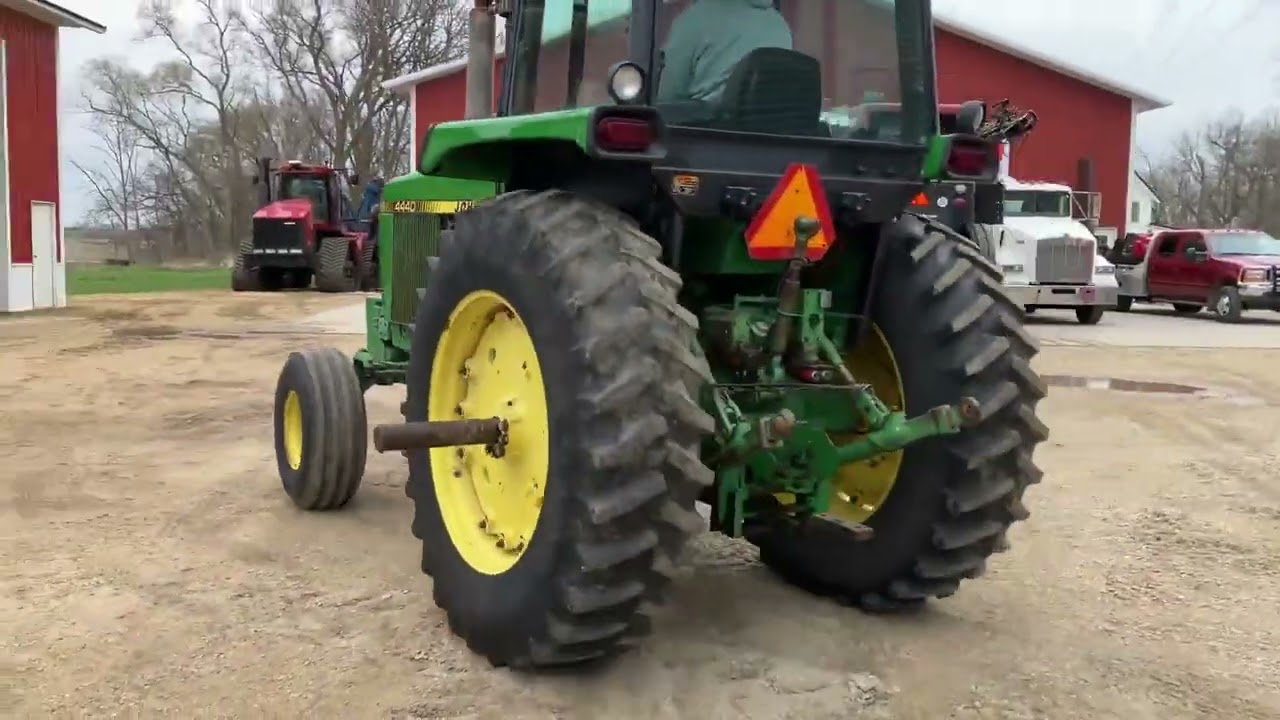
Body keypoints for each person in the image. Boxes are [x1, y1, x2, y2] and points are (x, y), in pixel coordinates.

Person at [656, 0, 793, 104]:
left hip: (704, 133)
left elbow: (667, 98)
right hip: (767, 135)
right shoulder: (780, 25)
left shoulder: (698, 17)